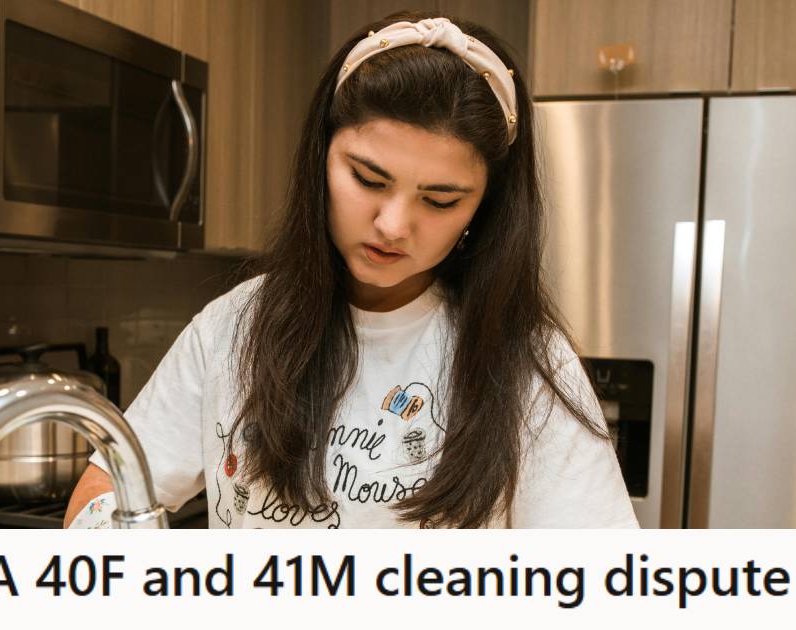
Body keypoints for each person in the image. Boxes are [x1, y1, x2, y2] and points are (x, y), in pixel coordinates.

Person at [64, 12, 638, 529]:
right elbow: (111, 483)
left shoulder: (526, 364)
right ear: (321, 158)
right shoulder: (232, 328)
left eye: (439, 201)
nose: (392, 225)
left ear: (483, 210)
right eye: (367, 179)